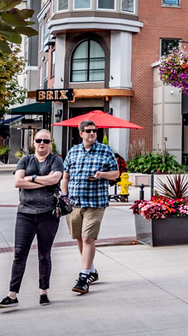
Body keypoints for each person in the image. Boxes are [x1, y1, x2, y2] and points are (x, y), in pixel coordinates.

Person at [0, 129, 63, 308]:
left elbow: (54, 179)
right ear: (33, 142)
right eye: (39, 140)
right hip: (25, 213)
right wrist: (43, 179)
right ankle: (12, 295)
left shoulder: (56, 160)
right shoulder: (25, 160)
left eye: (46, 141)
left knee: (44, 254)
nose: (42, 143)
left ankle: (43, 292)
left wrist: (31, 178)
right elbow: (18, 182)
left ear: (50, 143)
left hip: (48, 214)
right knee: (19, 255)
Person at [59, 120, 121, 294]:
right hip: (74, 203)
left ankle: (84, 276)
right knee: (79, 238)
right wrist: (64, 196)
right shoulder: (73, 151)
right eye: (88, 131)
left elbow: (116, 174)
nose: (92, 133)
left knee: (88, 238)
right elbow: (65, 177)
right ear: (81, 133)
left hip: (95, 203)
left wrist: (101, 174)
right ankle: (92, 270)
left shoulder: (105, 150)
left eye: (94, 131)